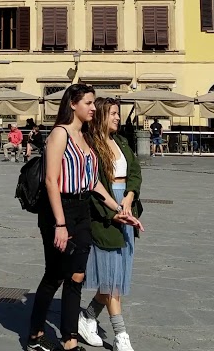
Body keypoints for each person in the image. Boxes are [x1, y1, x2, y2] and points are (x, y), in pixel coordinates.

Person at [26, 84, 139, 351]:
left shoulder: (86, 137)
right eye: (88, 103)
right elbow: (52, 181)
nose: (92, 108)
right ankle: (34, 335)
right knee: (54, 276)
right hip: (59, 210)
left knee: (77, 276)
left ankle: (70, 340)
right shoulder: (59, 134)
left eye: (93, 103)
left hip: (82, 209)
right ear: (73, 104)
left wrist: (119, 210)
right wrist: (60, 224)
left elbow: (94, 184)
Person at [79, 97, 144, 351]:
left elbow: (135, 172)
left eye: (118, 113)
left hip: (126, 208)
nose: (118, 118)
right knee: (112, 276)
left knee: (115, 274)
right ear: (101, 116)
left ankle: (87, 316)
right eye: (113, 113)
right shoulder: (92, 146)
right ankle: (121, 335)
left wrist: (129, 196)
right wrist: (111, 212)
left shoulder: (122, 143)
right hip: (104, 213)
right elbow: (91, 186)